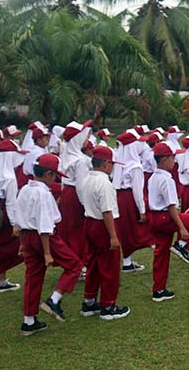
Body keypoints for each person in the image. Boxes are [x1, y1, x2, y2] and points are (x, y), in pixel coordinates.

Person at [16, 153, 82, 332]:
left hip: (28, 236)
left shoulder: (25, 189)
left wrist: (23, 243)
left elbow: (19, 218)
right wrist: (47, 252)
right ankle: (54, 300)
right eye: (55, 176)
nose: (55, 180)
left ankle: (29, 320)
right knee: (74, 265)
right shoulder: (43, 193)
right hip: (44, 237)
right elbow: (45, 225)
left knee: (33, 277)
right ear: (48, 175)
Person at [147, 142, 189, 302]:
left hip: (154, 217)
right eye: (172, 157)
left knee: (161, 254)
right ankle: (181, 245)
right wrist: (182, 228)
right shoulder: (167, 179)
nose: (175, 160)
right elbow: (171, 206)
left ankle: (158, 289)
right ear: (165, 159)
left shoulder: (153, 177)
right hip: (164, 217)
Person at [77, 145, 131, 321]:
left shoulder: (86, 179)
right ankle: (108, 305)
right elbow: (107, 210)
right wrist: (113, 236)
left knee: (93, 262)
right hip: (103, 225)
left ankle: (89, 300)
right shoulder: (104, 182)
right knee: (109, 265)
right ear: (106, 163)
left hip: (89, 222)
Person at [0, 139, 27, 293]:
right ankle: (31, 275)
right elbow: (11, 203)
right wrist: (16, 223)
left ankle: (2, 281)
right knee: (20, 246)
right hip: (6, 217)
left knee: (0, 247)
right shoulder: (9, 178)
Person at [112, 129, 149, 274]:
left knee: (123, 230)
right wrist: (142, 210)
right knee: (130, 231)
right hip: (128, 199)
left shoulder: (119, 163)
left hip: (119, 197)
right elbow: (137, 191)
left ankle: (127, 260)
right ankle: (127, 262)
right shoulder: (135, 166)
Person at [58, 120, 93, 264]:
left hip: (67, 193)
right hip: (75, 196)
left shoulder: (67, 155)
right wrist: (87, 205)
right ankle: (79, 262)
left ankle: (72, 261)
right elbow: (81, 185)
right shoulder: (80, 160)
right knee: (78, 230)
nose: (87, 140)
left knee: (69, 228)